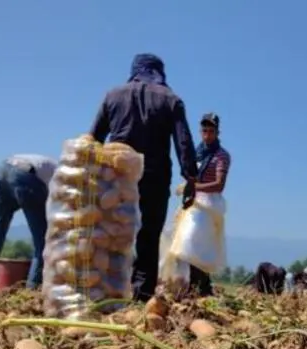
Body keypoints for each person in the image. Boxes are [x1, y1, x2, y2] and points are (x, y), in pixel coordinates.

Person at [91, 53, 198, 301]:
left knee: (114, 230)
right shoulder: (171, 99)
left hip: (117, 175)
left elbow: (94, 139)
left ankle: (108, 290)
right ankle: (141, 294)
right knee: (149, 234)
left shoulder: (112, 95)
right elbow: (183, 142)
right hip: (155, 175)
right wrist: (191, 176)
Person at [0, 154, 57, 297]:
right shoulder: (61, 174)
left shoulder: (49, 165)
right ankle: (32, 290)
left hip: (4, 169)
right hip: (26, 176)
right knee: (42, 242)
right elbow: (54, 205)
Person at [176, 112, 231, 296]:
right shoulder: (197, 152)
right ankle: (196, 286)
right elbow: (189, 172)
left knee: (195, 244)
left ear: (217, 132)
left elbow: (219, 184)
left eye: (211, 131)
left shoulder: (221, 156)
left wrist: (195, 186)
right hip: (194, 202)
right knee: (188, 244)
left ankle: (200, 287)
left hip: (208, 205)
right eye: (204, 130)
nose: (207, 134)